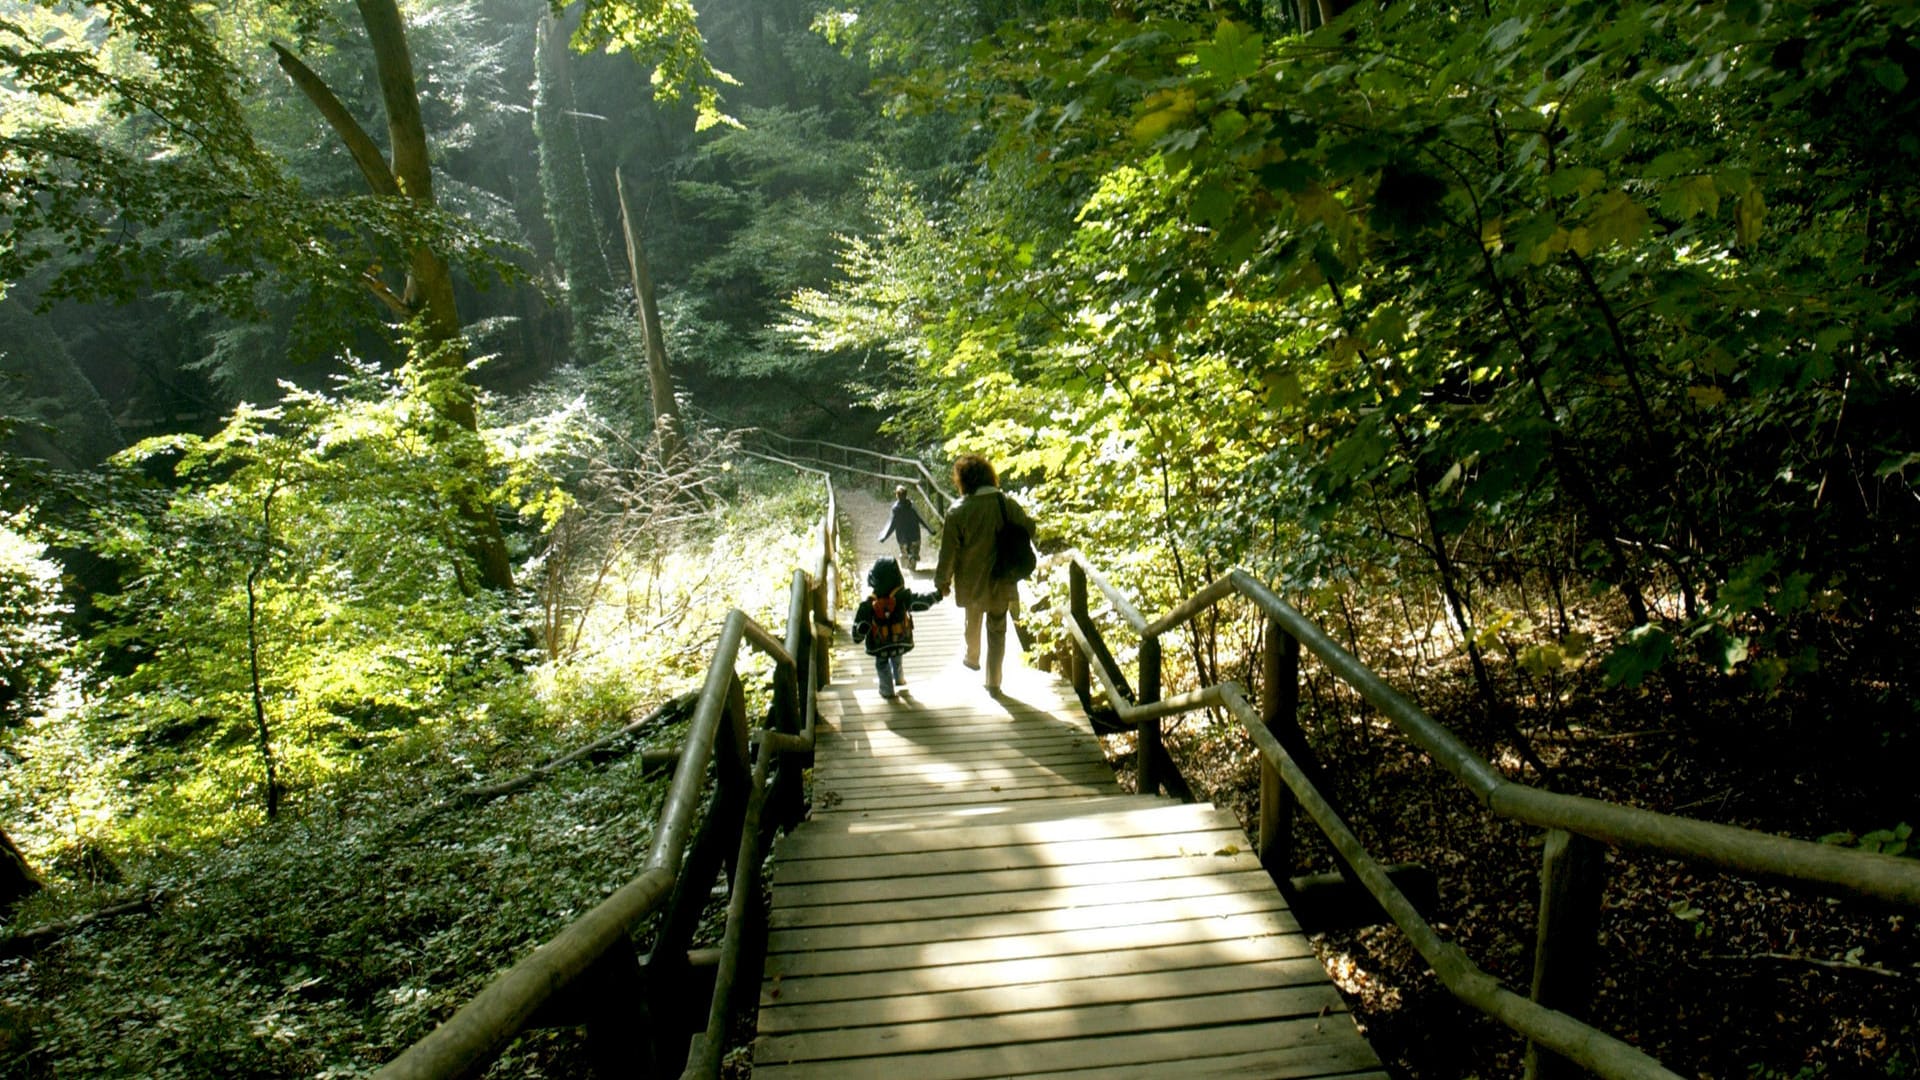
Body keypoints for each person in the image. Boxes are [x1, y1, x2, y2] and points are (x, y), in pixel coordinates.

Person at [934, 453, 1036, 694]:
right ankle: (994, 680)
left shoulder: (958, 511)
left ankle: (972, 656)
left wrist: (943, 580)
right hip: (1002, 575)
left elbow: (948, 551)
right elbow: (1029, 528)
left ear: (964, 480)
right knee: (998, 627)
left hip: (971, 579)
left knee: (973, 615)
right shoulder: (1006, 504)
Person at [851, 556, 942, 700]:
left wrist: (858, 634)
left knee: (882, 664)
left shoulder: (869, 604)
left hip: (879, 645)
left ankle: (887, 690)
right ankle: (899, 679)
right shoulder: (903, 596)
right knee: (896, 656)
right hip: (900, 640)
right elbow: (920, 601)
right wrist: (937, 596)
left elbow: (859, 629)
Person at [877, 485, 927, 569]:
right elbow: (921, 518)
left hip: (902, 536)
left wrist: (883, 536)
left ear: (897, 495)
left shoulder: (896, 509)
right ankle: (913, 558)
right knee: (914, 549)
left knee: (904, 552)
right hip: (914, 534)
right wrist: (931, 529)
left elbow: (891, 524)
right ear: (906, 495)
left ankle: (908, 561)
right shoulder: (912, 506)